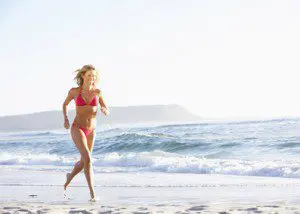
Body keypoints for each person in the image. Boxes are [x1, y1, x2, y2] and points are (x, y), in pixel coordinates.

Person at [62, 64, 109, 201]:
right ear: (83, 76)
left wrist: (105, 110)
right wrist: (66, 119)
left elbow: (105, 106)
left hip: (92, 130)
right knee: (88, 158)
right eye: (89, 75)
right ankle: (93, 193)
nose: (91, 78)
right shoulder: (75, 92)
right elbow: (65, 104)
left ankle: (69, 177)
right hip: (78, 128)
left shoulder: (98, 92)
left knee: (84, 161)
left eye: (94, 76)